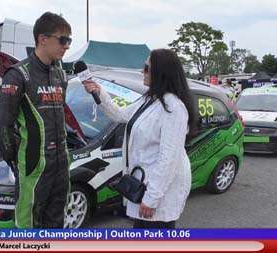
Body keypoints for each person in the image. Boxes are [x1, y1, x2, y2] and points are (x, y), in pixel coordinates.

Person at [83, 49, 196, 228]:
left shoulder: (174, 108)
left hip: (158, 193)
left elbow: (169, 160)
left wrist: (152, 199)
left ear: (161, 72)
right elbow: (119, 115)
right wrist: (99, 91)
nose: (142, 72)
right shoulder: (150, 99)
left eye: (146, 68)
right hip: (143, 186)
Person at [0, 12, 72, 228]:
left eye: (69, 40)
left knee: (57, 219)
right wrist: (15, 159)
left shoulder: (61, 74)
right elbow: (1, 126)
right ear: (42, 39)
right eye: (63, 40)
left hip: (61, 163)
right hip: (33, 163)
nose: (67, 46)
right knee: (28, 223)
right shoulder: (18, 74)